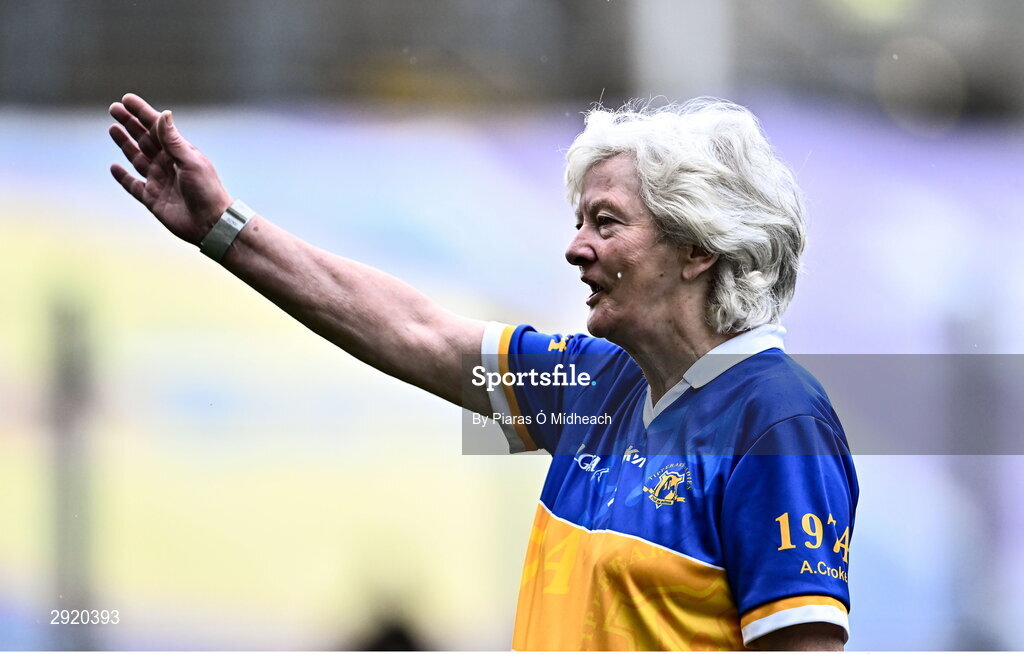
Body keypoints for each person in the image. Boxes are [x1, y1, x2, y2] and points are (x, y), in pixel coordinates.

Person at [108, 93, 857, 651]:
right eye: (578, 222)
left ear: (700, 248)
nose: (575, 249)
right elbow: (418, 331)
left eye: (605, 222)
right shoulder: (603, 383)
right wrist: (223, 229)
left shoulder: (776, 419)